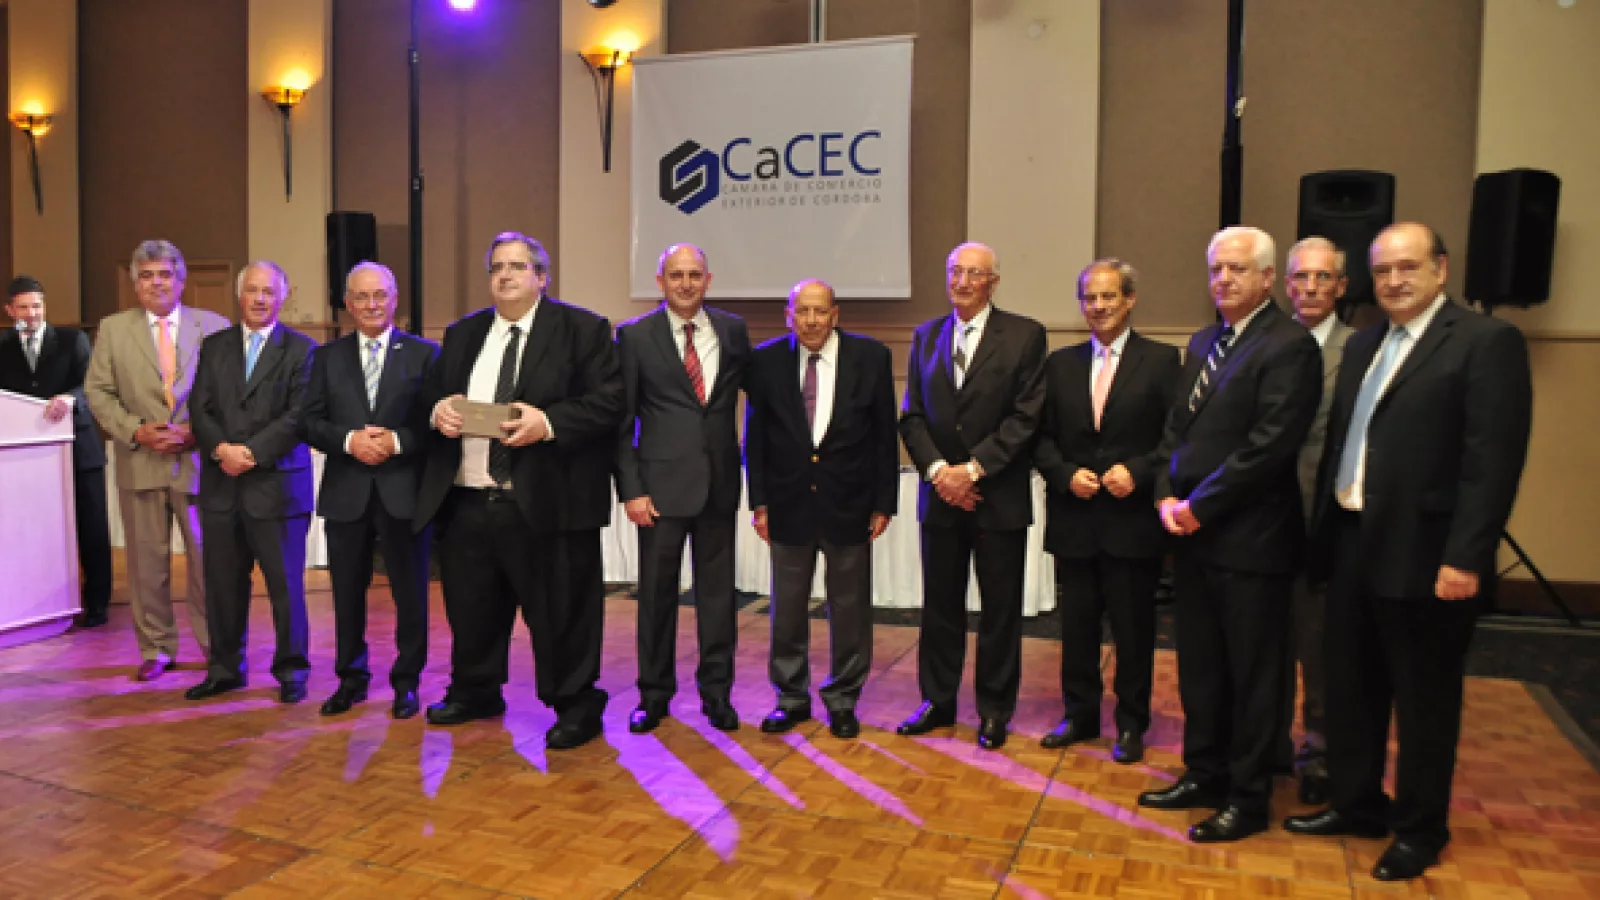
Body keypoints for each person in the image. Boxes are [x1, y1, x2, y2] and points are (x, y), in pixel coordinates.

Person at [1285, 223, 1532, 882]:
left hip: (1429, 557)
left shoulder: (1485, 342)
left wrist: (1466, 558)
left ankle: (1421, 829)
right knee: (1352, 689)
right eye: (1383, 270)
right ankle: (1357, 804)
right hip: (1351, 543)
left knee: (1424, 705)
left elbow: (1492, 464)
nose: (1393, 281)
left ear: (1441, 270)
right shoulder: (1365, 343)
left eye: (1408, 267)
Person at [1136, 226, 1321, 842]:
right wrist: (1166, 492)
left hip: (1252, 542)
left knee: (1253, 678)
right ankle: (1204, 773)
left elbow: (1268, 447)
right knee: (1202, 669)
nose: (1223, 279)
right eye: (1216, 268)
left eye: (1237, 269)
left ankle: (1248, 797)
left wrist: (1201, 506)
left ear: (1268, 278)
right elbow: (1176, 430)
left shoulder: (1289, 345)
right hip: (1193, 538)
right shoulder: (1205, 340)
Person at [415, 232, 623, 751]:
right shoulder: (463, 334)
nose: (504, 275)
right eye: (496, 267)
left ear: (542, 277)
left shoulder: (582, 330)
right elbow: (430, 395)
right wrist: (438, 410)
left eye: (516, 266)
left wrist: (547, 423)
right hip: (469, 499)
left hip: (548, 503)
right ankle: (476, 690)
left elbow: (610, 403)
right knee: (472, 608)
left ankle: (575, 704)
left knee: (561, 614)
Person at [896, 241, 1048, 750]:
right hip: (941, 497)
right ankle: (937, 702)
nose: (962, 281)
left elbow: (1026, 417)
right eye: (954, 271)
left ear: (993, 282)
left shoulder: (1025, 335)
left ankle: (994, 710)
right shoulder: (926, 335)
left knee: (1000, 611)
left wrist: (973, 471)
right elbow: (912, 416)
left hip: (997, 499)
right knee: (940, 607)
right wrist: (942, 473)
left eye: (974, 273)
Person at [1033, 259, 1180, 763]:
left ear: (1130, 299)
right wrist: (1064, 474)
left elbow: (1175, 439)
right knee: (1076, 629)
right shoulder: (1060, 364)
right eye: (1089, 298)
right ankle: (1079, 715)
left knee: (1134, 631)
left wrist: (1138, 472)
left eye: (1108, 296)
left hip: (1131, 523)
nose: (1098, 306)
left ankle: (1132, 723)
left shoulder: (1161, 361)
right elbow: (1041, 438)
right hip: (1075, 521)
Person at [744, 279, 898, 740]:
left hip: (850, 503)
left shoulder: (871, 357)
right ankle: (790, 698)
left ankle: (843, 698)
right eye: (802, 311)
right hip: (787, 504)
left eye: (819, 311)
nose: (811, 320)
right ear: (788, 315)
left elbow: (883, 436)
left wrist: (883, 502)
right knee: (787, 609)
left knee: (849, 609)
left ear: (835, 314)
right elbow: (755, 437)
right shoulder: (766, 361)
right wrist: (759, 502)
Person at [615, 244, 751, 734]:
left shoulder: (732, 330)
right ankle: (653, 695)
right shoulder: (634, 336)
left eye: (695, 275)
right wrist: (631, 489)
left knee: (718, 600)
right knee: (656, 599)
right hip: (659, 491)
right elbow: (621, 422)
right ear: (660, 281)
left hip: (718, 486)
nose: (686, 283)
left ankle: (717, 694)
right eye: (677, 275)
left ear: (708, 280)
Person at [84, 241, 230, 680]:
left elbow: (229, 393)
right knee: (147, 566)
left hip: (198, 463)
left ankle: (217, 647)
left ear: (181, 280)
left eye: (165, 274)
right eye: (146, 275)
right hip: (140, 462)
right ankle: (157, 648)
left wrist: (198, 431)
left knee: (209, 562)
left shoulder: (214, 326)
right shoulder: (113, 329)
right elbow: (98, 392)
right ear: (135, 283)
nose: (156, 283)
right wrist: (134, 430)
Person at [302, 262, 439, 720]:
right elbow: (308, 421)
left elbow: (436, 424)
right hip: (346, 493)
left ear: (395, 299)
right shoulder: (326, 358)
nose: (371, 304)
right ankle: (350, 679)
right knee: (346, 593)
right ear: (347, 304)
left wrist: (396, 442)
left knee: (410, 594)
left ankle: (407, 682)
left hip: (404, 493)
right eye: (361, 296)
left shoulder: (425, 355)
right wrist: (349, 441)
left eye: (380, 295)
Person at [184, 261, 317, 704]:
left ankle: (292, 670)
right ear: (239, 295)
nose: (260, 299)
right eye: (252, 290)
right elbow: (199, 409)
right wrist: (222, 449)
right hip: (222, 487)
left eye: (268, 291)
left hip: (277, 488)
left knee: (285, 588)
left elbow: (299, 416)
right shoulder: (214, 346)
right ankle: (225, 669)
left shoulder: (302, 350)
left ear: (283, 297)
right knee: (222, 586)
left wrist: (252, 452)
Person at [1278, 236, 1354, 805]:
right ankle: (1267, 744)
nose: (1310, 287)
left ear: (1342, 287)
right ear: (1285, 284)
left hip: (1318, 527)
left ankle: (1322, 754)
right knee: (1264, 648)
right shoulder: (1265, 344)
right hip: (1256, 527)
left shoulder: (1360, 351)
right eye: (1301, 277)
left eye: (1322, 277)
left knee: (1321, 652)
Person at [1, 276, 113, 628]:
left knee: (91, 528)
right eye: (23, 307)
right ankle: (35, 603)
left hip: (80, 451)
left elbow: (91, 386)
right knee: (33, 532)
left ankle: (97, 603)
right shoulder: (2, 346)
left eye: (37, 306)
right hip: (26, 459)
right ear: (9, 310)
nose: (31, 314)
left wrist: (69, 399)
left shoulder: (72, 340)